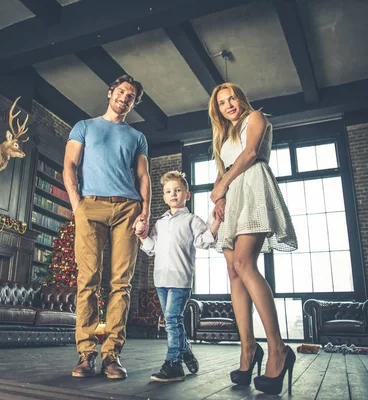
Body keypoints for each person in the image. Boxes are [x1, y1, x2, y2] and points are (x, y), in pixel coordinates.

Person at [207, 82, 298, 395]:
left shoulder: (256, 117)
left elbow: (250, 153)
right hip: (232, 196)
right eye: (222, 102)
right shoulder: (222, 136)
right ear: (217, 110)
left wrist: (223, 187)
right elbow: (222, 172)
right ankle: (248, 350)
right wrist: (219, 198)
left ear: (241, 98)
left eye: (231, 98)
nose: (229, 104)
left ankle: (278, 349)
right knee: (233, 272)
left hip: (253, 188)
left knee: (246, 264)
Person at [63, 74, 151, 380]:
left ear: (133, 103)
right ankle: (85, 355)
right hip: (90, 205)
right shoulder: (84, 127)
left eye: (131, 96)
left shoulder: (136, 136)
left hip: (127, 208)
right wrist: (77, 206)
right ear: (110, 93)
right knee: (88, 280)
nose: (125, 98)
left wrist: (146, 212)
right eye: (122, 92)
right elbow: (70, 166)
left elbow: (142, 177)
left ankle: (111, 355)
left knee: (121, 283)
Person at [136, 171, 222, 382]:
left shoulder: (192, 220)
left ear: (187, 195)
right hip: (161, 280)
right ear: (164, 197)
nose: (173, 194)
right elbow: (151, 248)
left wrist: (217, 222)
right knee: (173, 321)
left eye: (177, 190)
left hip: (180, 280)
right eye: (168, 191)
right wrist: (142, 236)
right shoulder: (159, 223)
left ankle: (174, 364)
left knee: (173, 320)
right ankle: (186, 352)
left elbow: (204, 241)